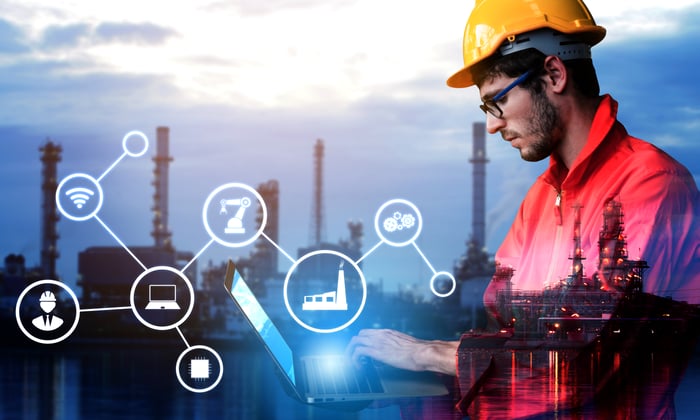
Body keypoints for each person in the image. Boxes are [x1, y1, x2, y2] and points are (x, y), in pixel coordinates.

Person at [347, 0, 700, 418]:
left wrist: (433, 356)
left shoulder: (651, 185)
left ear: (553, 74)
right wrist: (397, 382)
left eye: (496, 101)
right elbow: (510, 347)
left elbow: (585, 364)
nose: (493, 125)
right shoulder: (539, 200)